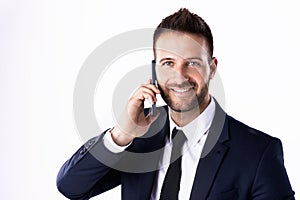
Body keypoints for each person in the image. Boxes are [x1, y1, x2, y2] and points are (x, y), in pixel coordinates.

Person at [56, 8, 295, 200]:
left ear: (212, 69)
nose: (179, 76)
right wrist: (122, 133)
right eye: (168, 63)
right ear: (154, 69)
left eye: (191, 63)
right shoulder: (139, 136)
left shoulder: (259, 152)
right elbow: (72, 187)